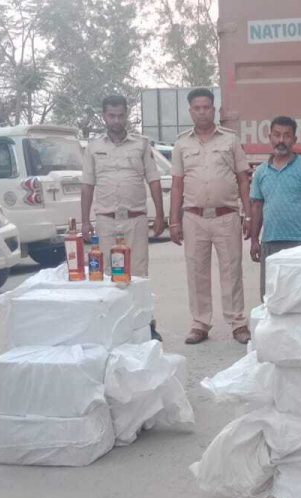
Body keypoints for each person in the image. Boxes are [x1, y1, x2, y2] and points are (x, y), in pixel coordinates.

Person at [169, 88, 253, 345]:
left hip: (226, 216)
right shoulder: (181, 144)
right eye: (197, 108)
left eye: (206, 107)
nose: (202, 112)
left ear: (214, 110)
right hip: (193, 217)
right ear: (190, 111)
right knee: (197, 272)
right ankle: (200, 323)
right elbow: (177, 184)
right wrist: (174, 220)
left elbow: (243, 179)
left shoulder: (230, 140)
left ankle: (237, 322)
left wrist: (248, 214)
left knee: (232, 270)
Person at [80, 94, 166, 339]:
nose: (116, 120)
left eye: (120, 115)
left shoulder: (141, 144)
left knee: (138, 275)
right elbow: (87, 185)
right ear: (104, 116)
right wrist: (85, 221)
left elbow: (154, 180)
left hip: (135, 219)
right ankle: (112, 329)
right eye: (111, 115)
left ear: (126, 115)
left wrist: (160, 215)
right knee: (108, 275)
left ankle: (145, 327)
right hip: (106, 220)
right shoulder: (93, 147)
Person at [249, 116, 301, 299]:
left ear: (294, 139)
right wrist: (254, 240)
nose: (281, 140)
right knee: (271, 296)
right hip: (270, 242)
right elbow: (257, 206)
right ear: (270, 137)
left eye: (287, 135)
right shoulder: (261, 172)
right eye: (277, 135)